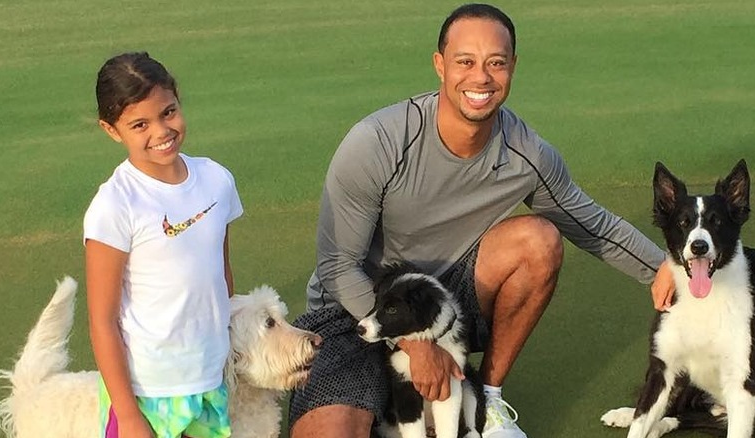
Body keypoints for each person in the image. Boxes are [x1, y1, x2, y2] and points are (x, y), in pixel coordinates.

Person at [287, 4, 676, 438]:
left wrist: (669, 269)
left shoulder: (527, 152)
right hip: (353, 312)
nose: (481, 78)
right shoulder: (377, 142)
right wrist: (415, 344)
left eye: (496, 62)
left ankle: (487, 403)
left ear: (512, 67)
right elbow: (337, 267)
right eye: (465, 62)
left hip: (442, 306)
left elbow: (591, 223)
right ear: (440, 66)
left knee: (538, 239)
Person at [84, 52, 243, 438]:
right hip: (146, 393)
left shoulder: (215, 179)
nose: (161, 132)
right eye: (139, 124)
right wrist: (130, 418)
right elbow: (102, 322)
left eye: (168, 113)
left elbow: (220, 277)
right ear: (111, 129)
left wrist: (222, 356)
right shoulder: (115, 205)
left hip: (208, 380)